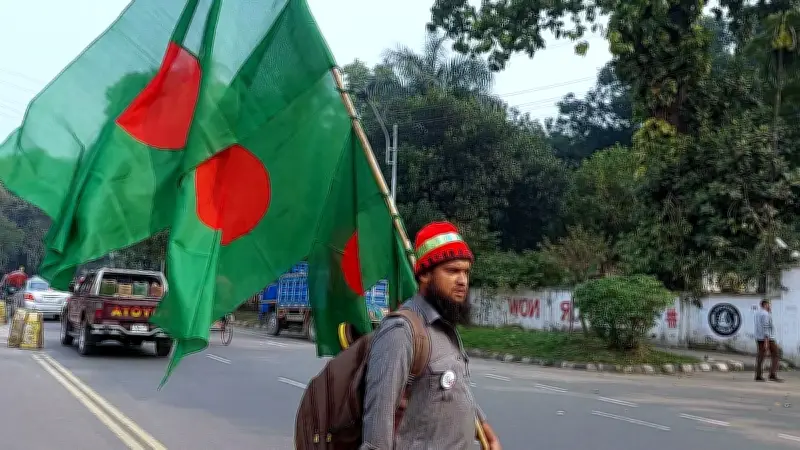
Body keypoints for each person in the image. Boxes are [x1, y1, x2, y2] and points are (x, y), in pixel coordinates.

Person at [360, 221, 501, 450]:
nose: (463, 281)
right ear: (425, 275)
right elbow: (377, 428)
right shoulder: (401, 331)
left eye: (466, 271)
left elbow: (455, 390)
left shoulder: (445, 327)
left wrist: (487, 432)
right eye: (452, 271)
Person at [754, 299, 783, 382]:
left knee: (760, 356)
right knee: (776, 354)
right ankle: (772, 374)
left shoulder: (758, 313)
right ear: (765, 305)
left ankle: (758, 375)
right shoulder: (765, 314)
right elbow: (766, 327)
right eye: (769, 304)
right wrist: (766, 340)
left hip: (759, 337)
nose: (770, 306)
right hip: (768, 338)